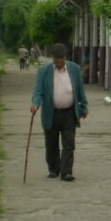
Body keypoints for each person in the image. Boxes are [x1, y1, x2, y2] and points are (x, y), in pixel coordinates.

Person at [30, 43, 88, 181]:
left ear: (66, 57)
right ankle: (54, 169)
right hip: (51, 112)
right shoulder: (44, 71)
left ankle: (66, 172)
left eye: (61, 58)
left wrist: (84, 107)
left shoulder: (74, 69)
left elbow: (80, 91)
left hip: (69, 113)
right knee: (51, 144)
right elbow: (38, 91)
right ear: (52, 58)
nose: (59, 61)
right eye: (56, 58)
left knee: (69, 144)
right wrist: (35, 104)